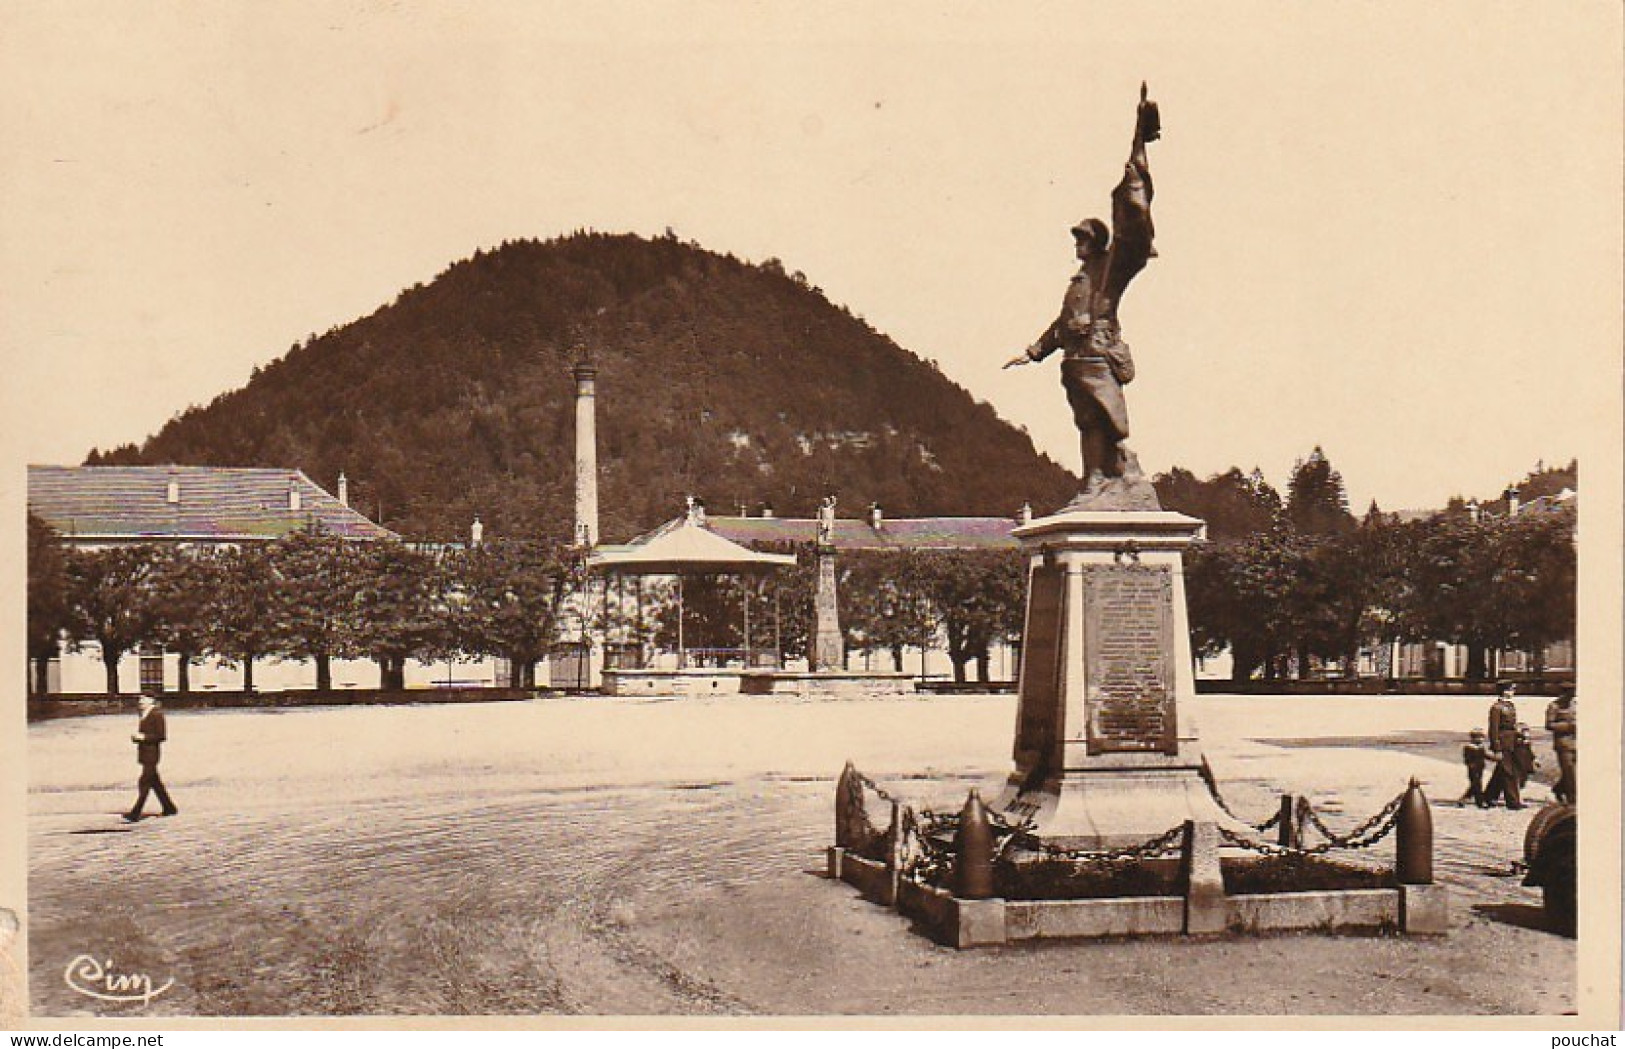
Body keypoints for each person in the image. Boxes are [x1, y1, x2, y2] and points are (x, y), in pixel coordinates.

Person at [1005, 84, 1160, 498]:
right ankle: (1095, 478)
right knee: (1087, 420)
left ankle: (1120, 473)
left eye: (1083, 236)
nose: (1078, 242)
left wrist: (1137, 154)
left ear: (1097, 239)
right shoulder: (1078, 281)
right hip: (1075, 358)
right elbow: (1060, 325)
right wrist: (1034, 351)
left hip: (1098, 352)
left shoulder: (1109, 268)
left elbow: (1131, 226)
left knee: (1108, 419)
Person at [124, 693, 177, 822]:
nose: (140, 701)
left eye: (143, 699)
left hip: (152, 755)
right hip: (144, 753)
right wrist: (137, 738)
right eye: (140, 699)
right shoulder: (144, 714)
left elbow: (161, 736)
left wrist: (144, 737)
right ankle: (169, 807)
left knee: (144, 783)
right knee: (155, 783)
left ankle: (135, 813)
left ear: (151, 700)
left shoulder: (156, 714)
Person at [1483, 682, 1524, 810]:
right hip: (1503, 742)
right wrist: (1496, 747)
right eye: (1511, 689)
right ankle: (1513, 802)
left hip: (1511, 742)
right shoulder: (1497, 707)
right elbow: (1493, 729)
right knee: (1508, 772)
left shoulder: (1510, 706)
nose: (1513, 692)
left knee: (1501, 771)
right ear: (1504, 691)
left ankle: (1488, 797)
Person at [1545, 684, 1577, 804]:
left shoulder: (1575, 705)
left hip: (1576, 742)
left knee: (1574, 771)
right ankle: (1572, 799)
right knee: (1569, 771)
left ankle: (1558, 790)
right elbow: (1549, 725)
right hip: (1563, 743)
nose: (1571, 698)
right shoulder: (1554, 706)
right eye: (1569, 694)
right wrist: (1568, 726)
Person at [1459, 728, 1490, 808]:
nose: (1481, 739)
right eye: (1478, 737)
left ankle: (1463, 799)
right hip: (1473, 769)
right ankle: (1480, 802)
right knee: (1477, 785)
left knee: (1475, 785)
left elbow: (1486, 756)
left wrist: (1495, 758)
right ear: (1473, 738)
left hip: (1480, 768)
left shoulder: (1481, 747)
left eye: (1482, 737)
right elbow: (1467, 759)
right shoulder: (1469, 747)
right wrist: (1470, 765)